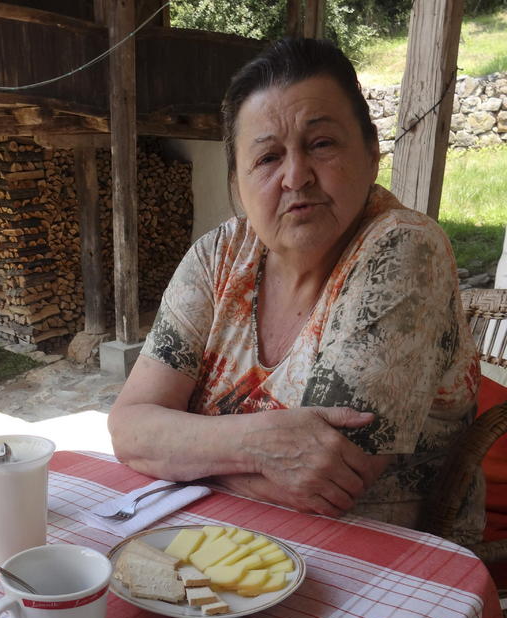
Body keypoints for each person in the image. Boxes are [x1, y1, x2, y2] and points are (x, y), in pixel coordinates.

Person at [107, 36, 483, 543]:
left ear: (372, 153)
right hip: (229, 543)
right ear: (237, 184)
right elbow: (129, 429)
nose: (296, 176)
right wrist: (263, 444)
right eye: (267, 158)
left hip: (377, 560)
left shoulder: (403, 249)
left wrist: (183, 456)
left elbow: (328, 484)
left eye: (321, 144)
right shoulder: (219, 256)